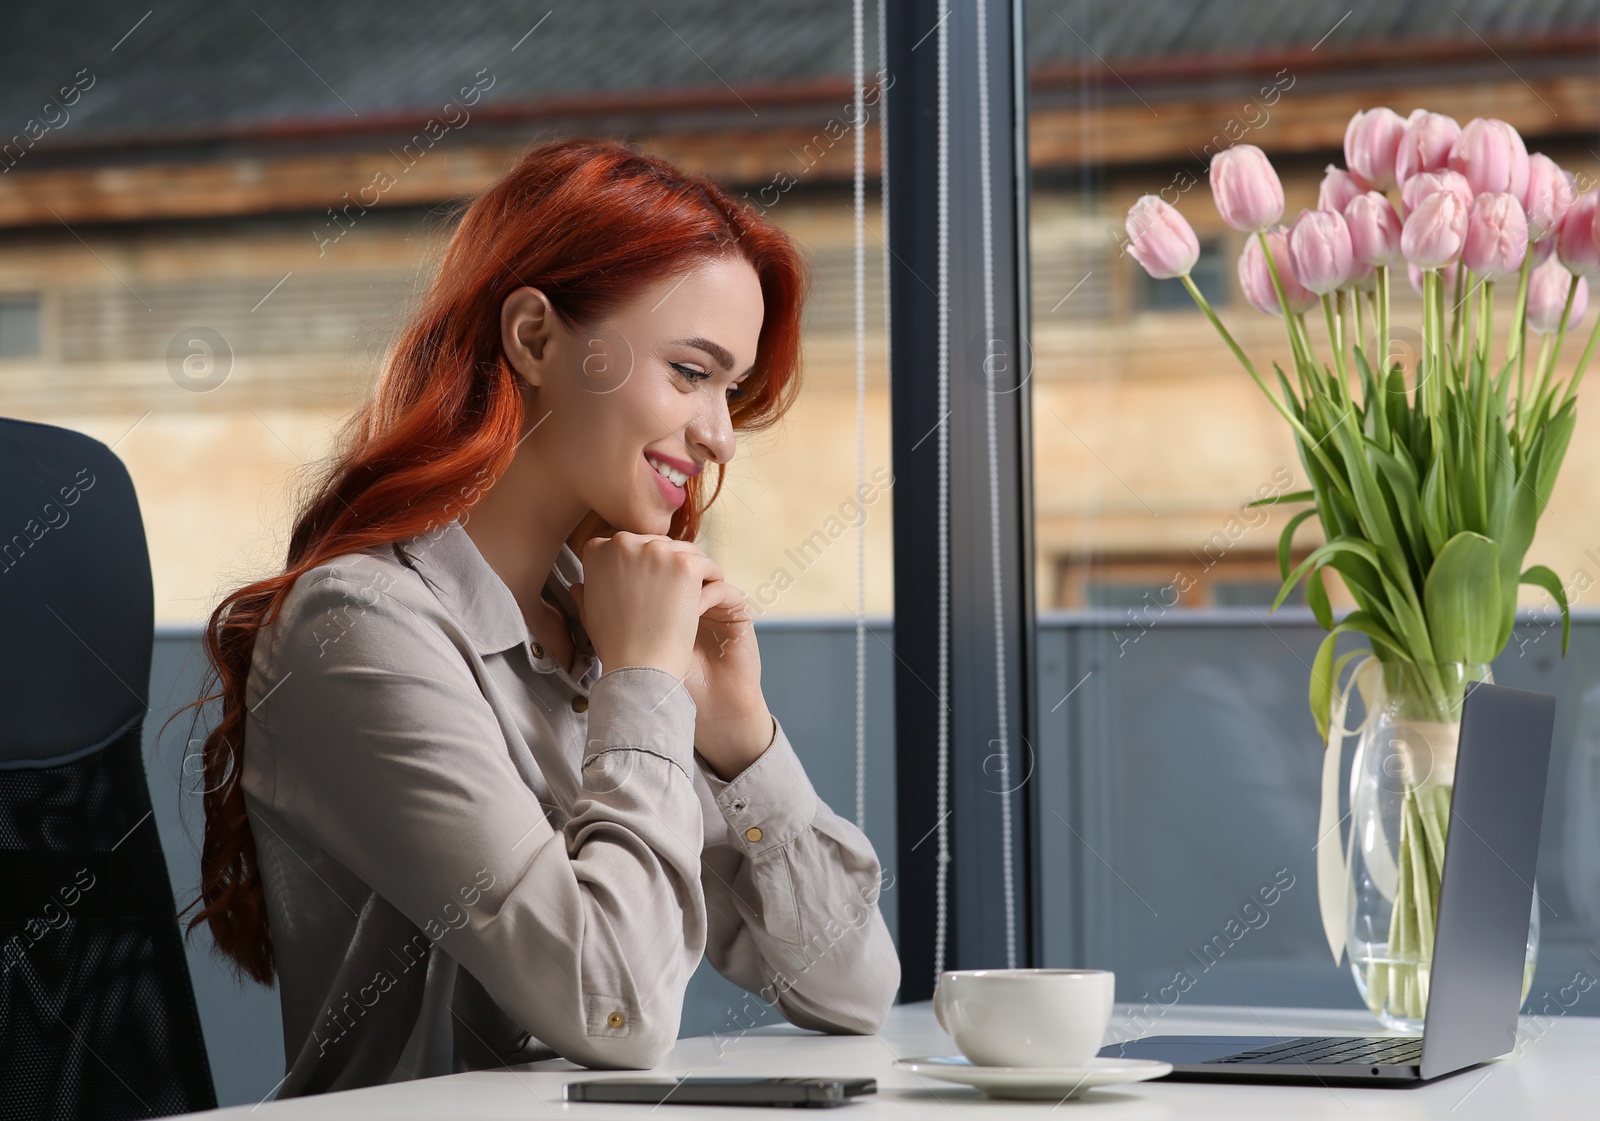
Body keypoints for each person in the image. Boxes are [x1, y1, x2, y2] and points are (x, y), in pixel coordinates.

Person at [176, 136, 900, 1097]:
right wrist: (642, 686)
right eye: (691, 372)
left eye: (732, 390)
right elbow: (613, 1006)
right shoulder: (360, 627)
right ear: (535, 337)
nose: (722, 432)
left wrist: (739, 741)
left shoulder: (600, 614)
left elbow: (853, 986)